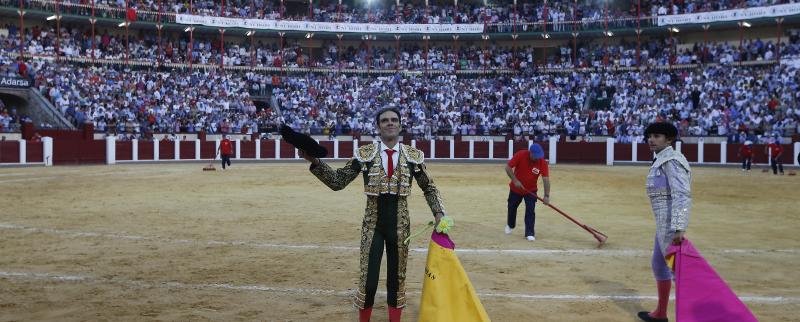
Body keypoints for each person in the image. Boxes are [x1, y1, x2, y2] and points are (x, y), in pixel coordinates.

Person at [299, 107, 447, 322]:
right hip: (372, 225)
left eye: (394, 120)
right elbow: (338, 181)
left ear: (400, 125)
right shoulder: (365, 154)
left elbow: (429, 187)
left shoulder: (413, 156)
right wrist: (315, 162)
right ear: (378, 126)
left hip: (400, 226)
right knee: (368, 282)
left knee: (397, 280)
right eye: (385, 120)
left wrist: (439, 213)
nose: (390, 123)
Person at [638, 122, 691, 322]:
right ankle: (661, 313)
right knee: (659, 265)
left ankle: (688, 317)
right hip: (663, 223)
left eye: (657, 136)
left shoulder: (672, 161)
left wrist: (679, 226)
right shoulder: (662, 159)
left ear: (669, 139)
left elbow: (682, 194)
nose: (651, 139)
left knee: (679, 273)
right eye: (650, 135)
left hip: (670, 224)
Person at [504, 143, 550, 241]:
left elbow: (546, 179)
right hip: (515, 189)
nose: (538, 158)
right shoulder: (521, 155)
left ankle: (529, 232)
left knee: (530, 211)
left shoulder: (542, 162)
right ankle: (510, 224)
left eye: (539, 156)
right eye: (536, 156)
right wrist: (515, 180)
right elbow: (507, 167)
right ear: (531, 153)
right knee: (512, 207)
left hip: (531, 191)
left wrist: (546, 195)